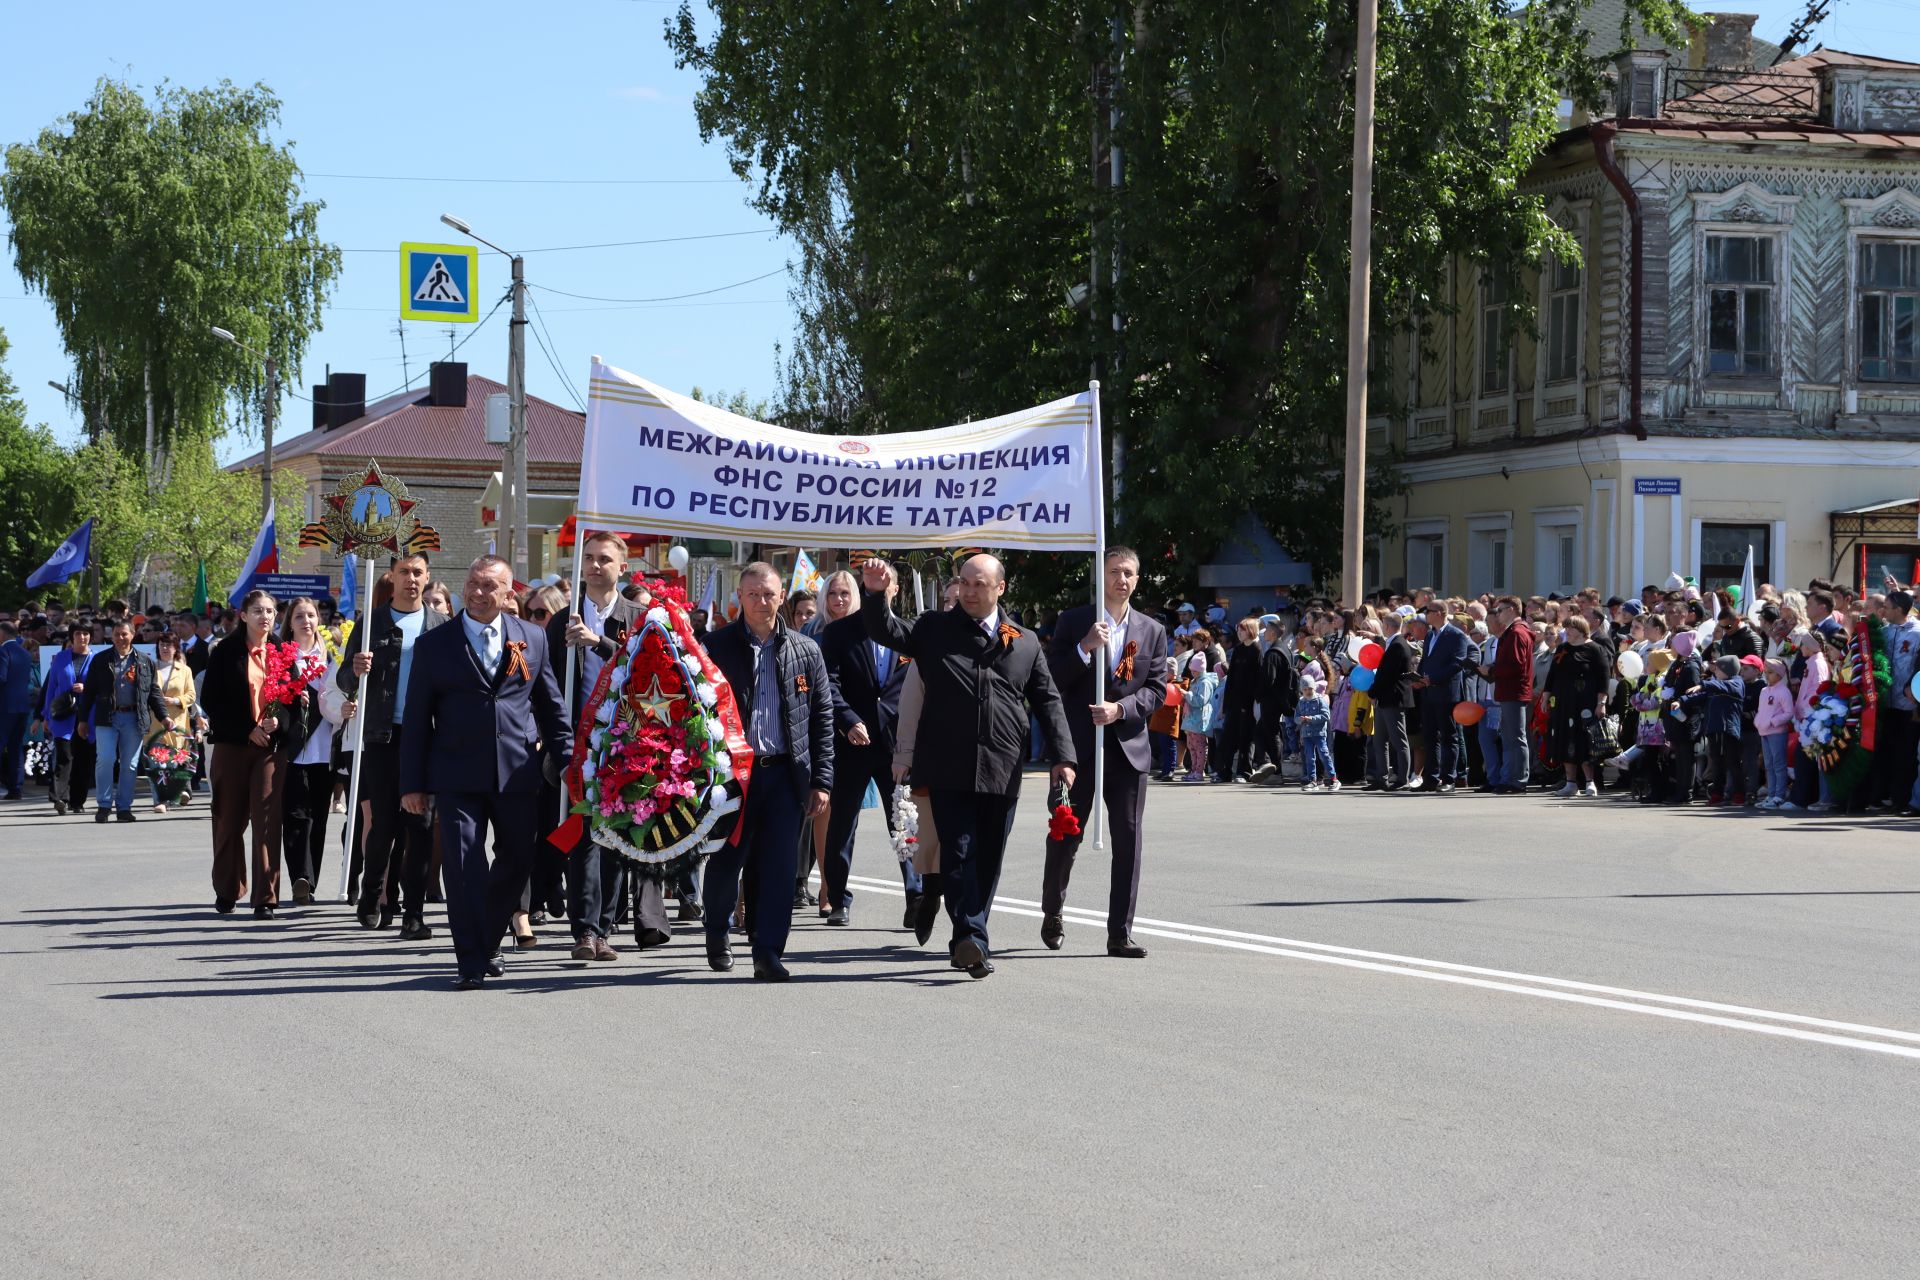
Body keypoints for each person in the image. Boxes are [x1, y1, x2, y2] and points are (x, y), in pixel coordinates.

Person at [859, 553, 1073, 980]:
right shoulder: (934, 629)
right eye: (965, 582)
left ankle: (968, 938)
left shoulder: (1025, 640)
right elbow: (885, 629)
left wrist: (1063, 757)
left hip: (1002, 764)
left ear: (1000, 588)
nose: (970, 591)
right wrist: (876, 593)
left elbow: (1047, 700)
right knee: (958, 853)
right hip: (946, 765)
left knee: (989, 857)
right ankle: (971, 936)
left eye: (980, 584)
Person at [399, 556, 571, 989]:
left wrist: (570, 761)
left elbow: (550, 707)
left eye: (488, 586)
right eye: (472, 583)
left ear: (508, 592)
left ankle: (488, 937)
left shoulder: (531, 638)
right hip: (457, 774)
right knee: (462, 865)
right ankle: (470, 961)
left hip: (516, 773)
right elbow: (417, 720)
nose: (477, 592)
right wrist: (412, 785)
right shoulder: (435, 645)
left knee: (517, 862)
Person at [700, 562, 835, 981]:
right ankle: (717, 931)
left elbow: (822, 716)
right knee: (726, 859)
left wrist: (821, 779)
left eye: (769, 594)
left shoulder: (805, 649)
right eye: (753, 594)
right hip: (730, 775)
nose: (762, 602)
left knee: (779, 866)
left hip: (783, 774)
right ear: (739, 597)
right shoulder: (714, 646)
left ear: (783, 597)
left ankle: (768, 951)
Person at [1039, 545, 1169, 958]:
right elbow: (1052, 679)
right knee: (1065, 833)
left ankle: (1120, 931)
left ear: (1137, 578)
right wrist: (1084, 648)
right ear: (1102, 575)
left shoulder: (1150, 630)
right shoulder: (1075, 621)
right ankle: (1053, 912)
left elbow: (1156, 689)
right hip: (1077, 751)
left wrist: (1121, 709)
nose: (1122, 580)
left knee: (1128, 842)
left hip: (1127, 749)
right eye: (1114, 571)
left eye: (1129, 572)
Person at [548, 531, 648, 961]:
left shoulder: (637, 617)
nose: (594, 565)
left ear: (621, 567)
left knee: (614, 839)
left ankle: (605, 927)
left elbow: (646, 672)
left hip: (622, 744)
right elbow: (547, 681)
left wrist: (600, 643)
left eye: (604, 559)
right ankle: (584, 930)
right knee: (583, 837)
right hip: (577, 745)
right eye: (588, 558)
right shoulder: (562, 620)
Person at [340, 554, 447, 939]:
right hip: (383, 736)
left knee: (420, 825)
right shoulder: (373, 623)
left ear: (427, 577)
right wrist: (355, 669)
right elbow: (344, 679)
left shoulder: (441, 625)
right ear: (393, 577)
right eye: (404, 572)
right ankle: (374, 896)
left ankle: (414, 913)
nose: (411, 579)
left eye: (418, 572)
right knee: (385, 823)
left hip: (426, 736)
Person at [818, 565, 923, 929]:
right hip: (852, 743)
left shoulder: (910, 633)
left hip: (896, 745)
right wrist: (848, 720)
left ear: (893, 590)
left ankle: (915, 893)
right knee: (843, 824)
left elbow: (916, 687)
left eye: (886, 586)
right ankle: (838, 898)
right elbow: (827, 685)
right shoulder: (839, 633)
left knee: (904, 820)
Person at [199, 591, 291, 916]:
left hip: (269, 749)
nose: (265, 617)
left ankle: (266, 897)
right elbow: (211, 700)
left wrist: (279, 721)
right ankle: (227, 889)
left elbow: (293, 698)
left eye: (270, 611)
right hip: (232, 745)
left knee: (266, 821)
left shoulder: (281, 650)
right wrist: (245, 729)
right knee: (229, 819)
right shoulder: (225, 651)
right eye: (257, 611)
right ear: (243, 616)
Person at [75, 617, 167, 825]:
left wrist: (164, 717)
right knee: (105, 760)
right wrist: (82, 720)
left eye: (124, 634)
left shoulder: (144, 661)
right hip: (107, 717)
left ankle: (124, 807)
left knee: (130, 765)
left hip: (134, 718)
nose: (120, 638)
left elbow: (153, 692)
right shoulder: (100, 659)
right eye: (116, 634)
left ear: (133, 635)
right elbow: (89, 692)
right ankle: (104, 805)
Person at [277, 599, 334, 905]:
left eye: (311, 615)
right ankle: (300, 876)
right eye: (299, 616)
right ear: (290, 622)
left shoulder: (331, 655)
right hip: (294, 751)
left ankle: (310, 882)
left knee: (319, 818)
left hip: (325, 750)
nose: (306, 621)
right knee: (296, 816)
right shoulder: (282, 657)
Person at [1544, 615, 1610, 798]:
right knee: (1565, 740)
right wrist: (1546, 696)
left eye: (1570, 628)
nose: (1567, 631)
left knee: (1584, 741)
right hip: (1564, 704)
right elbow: (1552, 675)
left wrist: (1601, 702)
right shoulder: (1562, 648)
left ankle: (1590, 782)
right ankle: (1570, 783)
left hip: (1586, 703)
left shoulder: (1595, 649)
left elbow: (1603, 678)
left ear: (1581, 629)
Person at [1412, 601, 1472, 792]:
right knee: (1430, 737)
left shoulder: (1456, 635)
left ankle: (1449, 779)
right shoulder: (1431, 635)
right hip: (1429, 693)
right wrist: (1419, 678)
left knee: (1449, 737)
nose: (1425, 616)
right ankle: (1431, 778)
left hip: (1446, 694)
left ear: (1439, 613)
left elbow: (1457, 664)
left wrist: (1433, 679)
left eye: (1428, 612)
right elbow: (1425, 660)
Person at [38, 627, 95, 815]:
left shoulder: (96, 659)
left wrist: (85, 687)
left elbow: (101, 686)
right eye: (78, 634)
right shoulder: (61, 658)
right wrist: (46, 715)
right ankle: (60, 798)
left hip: (87, 715)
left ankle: (77, 802)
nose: (82, 637)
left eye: (86, 634)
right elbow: (51, 687)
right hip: (63, 714)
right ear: (72, 637)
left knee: (84, 759)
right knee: (64, 756)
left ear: (91, 637)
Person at [145, 630, 202, 815]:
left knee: (173, 764)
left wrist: (176, 701)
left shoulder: (184, 670)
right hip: (155, 723)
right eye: (161, 644)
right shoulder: (150, 668)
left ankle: (176, 793)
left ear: (176, 648)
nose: (164, 648)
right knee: (157, 765)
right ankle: (161, 801)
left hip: (177, 723)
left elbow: (191, 695)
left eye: (168, 645)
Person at [1483, 597, 1533, 794]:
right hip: (1509, 690)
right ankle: (1512, 777)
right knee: (1511, 737)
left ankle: (1518, 779)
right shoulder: (1513, 632)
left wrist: (1492, 670)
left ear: (1512, 609)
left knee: (1516, 737)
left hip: (1514, 691)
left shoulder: (1517, 633)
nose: (1498, 614)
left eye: (1501, 610)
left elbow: (1515, 665)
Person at [1367, 612, 1416, 791]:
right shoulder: (1392, 644)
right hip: (1384, 698)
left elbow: (1387, 675)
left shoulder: (1397, 645)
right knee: (1380, 740)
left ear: (1387, 626)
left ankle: (1402, 778)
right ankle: (1381, 777)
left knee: (1398, 739)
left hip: (1393, 699)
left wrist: (1372, 691)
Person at [0, 621, 31, 800]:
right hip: (22, 706)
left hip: (5, 706)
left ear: (2, 634)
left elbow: (1, 678)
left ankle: (14, 787)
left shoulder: (3, 651)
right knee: (15, 747)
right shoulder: (25, 653)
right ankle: (16, 788)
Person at [1179, 653, 1217, 782]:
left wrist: (1187, 695)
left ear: (1201, 670)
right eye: (1192, 670)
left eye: (1195, 670)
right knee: (1191, 746)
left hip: (1199, 720)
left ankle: (1199, 772)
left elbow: (1201, 701)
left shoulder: (1205, 683)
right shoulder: (1196, 681)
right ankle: (1194, 770)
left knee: (1199, 747)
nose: (1193, 673)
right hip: (1191, 720)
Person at [1297, 678, 1336, 792]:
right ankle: (1312, 780)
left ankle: (1333, 778)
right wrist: (1300, 720)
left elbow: (1326, 715)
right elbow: (1296, 717)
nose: (1307, 691)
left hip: (1318, 733)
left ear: (1313, 688)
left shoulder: (1320, 700)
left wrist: (1311, 719)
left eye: (1309, 688)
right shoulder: (1301, 702)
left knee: (1324, 755)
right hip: (1306, 734)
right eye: (1305, 689)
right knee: (1309, 757)